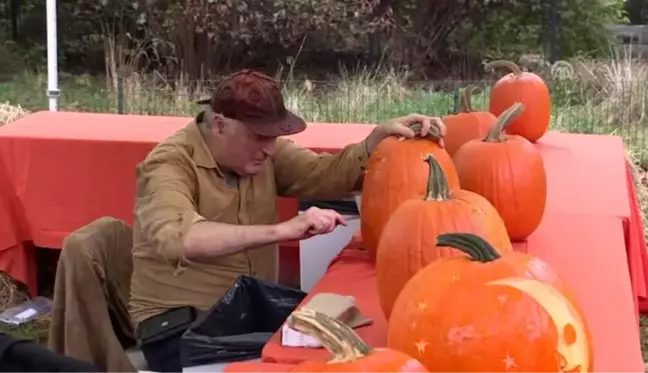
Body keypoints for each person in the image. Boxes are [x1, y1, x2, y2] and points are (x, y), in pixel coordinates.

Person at [129, 69, 446, 373]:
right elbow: (181, 239)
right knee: (319, 359)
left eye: (273, 136)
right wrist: (283, 231)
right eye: (258, 136)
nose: (269, 148)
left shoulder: (263, 151)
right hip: (182, 329)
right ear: (220, 125)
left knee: (354, 334)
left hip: (247, 310)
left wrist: (374, 142)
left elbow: (322, 174)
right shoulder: (168, 163)